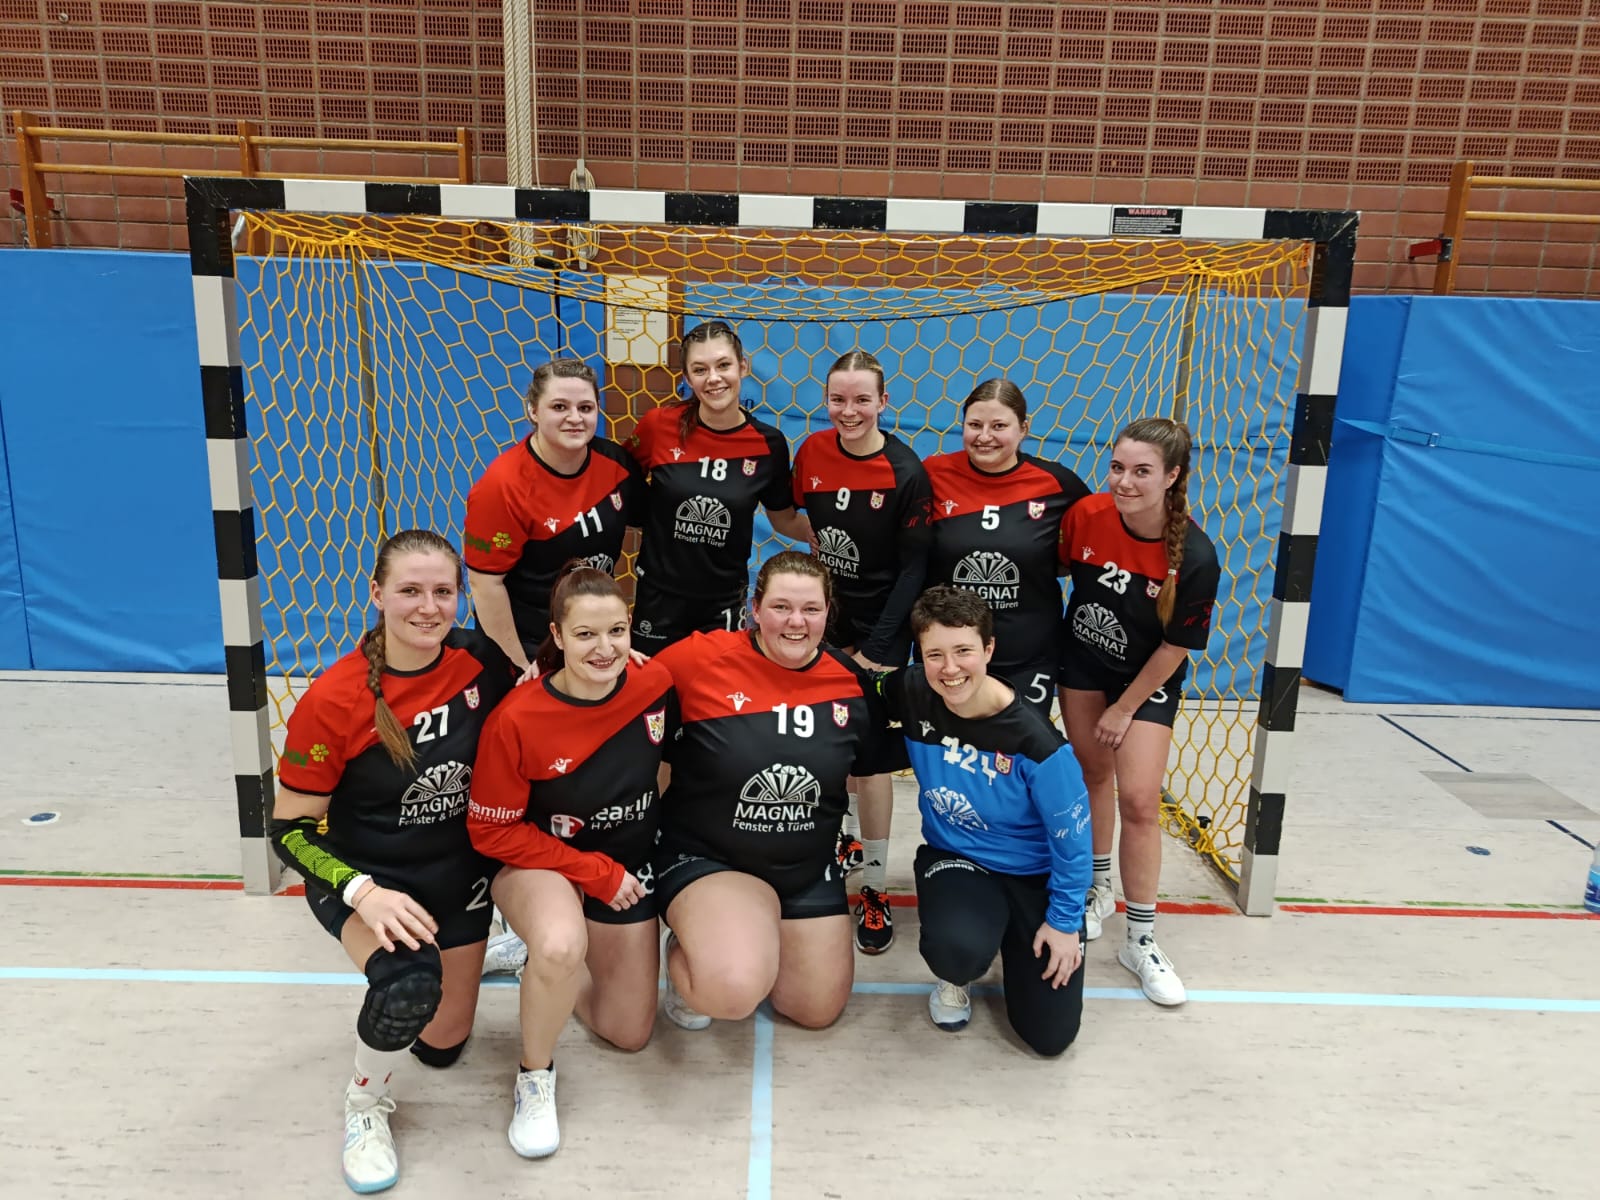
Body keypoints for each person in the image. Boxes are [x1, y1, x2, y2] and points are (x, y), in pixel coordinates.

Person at [269, 529, 515, 1195]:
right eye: (410, 591)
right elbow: (288, 831)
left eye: (443, 592)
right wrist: (361, 893)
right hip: (369, 879)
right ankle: (365, 1105)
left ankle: (490, 949)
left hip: (457, 875)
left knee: (441, 1046)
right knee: (408, 989)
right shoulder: (334, 699)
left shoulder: (477, 660)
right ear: (377, 594)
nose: (428, 607)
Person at [468, 564, 677, 1159]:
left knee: (629, 1031)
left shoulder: (654, 682)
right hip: (540, 864)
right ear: (557, 636)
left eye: (616, 631)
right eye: (585, 634)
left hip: (624, 864)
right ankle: (535, 1074)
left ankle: (539, 962)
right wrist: (595, 873)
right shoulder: (518, 717)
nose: (604, 648)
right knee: (560, 945)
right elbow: (490, 830)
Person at [649, 551, 899, 1032]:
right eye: (781, 607)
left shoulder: (851, 684)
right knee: (731, 990)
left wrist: (875, 875)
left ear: (828, 612)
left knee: (816, 1011)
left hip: (804, 868)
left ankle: (749, 935)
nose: (796, 622)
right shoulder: (697, 660)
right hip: (712, 858)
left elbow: (870, 774)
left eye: (811, 609)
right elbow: (624, 690)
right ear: (755, 608)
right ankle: (691, 948)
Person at [875, 586, 1090, 1056]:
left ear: (989, 649)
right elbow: (858, 691)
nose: (949, 668)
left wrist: (1063, 922)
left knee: (1049, 1038)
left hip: (1032, 875)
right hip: (958, 859)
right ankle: (960, 970)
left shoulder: (1039, 745)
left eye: (963, 651)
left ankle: (1015, 933)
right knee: (958, 950)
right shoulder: (912, 689)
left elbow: (1074, 845)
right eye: (935, 655)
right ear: (920, 657)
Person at [1057, 417, 1219, 1006]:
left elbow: (1175, 648)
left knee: (1142, 801)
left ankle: (1142, 939)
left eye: (1142, 471)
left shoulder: (1195, 555)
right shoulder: (1087, 515)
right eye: (1118, 467)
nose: (1124, 482)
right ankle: (1097, 887)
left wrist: (1125, 709)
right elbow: (1055, 569)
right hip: (1082, 664)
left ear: (1172, 476)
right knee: (1092, 776)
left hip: (1145, 681)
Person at [792, 349, 931, 954]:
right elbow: (803, 525)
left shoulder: (905, 471)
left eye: (861, 400)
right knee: (828, 747)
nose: (848, 411)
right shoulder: (811, 453)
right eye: (837, 399)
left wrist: (877, 649)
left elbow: (915, 568)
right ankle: (843, 842)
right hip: (825, 625)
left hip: (881, 635)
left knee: (871, 761)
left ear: (883, 402)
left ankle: (874, 886)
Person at [624, 320, 813, 656]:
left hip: (722, 602)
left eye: (723, 365)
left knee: (719, 688)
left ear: (743, 367)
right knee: (654, 687)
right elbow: (618, 480)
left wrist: (835, 534)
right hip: (659, 597)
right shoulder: (658, 425)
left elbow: (783, 518)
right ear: (687, 377)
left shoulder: (768, 444)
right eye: (700, 369)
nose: (713, 378)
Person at [464, 357, 647, 672]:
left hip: (593, 639)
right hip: (531, 644)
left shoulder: (615, 462)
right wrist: (519, 664)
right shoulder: (502, 486)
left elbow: (652, 521)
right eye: (559, 407)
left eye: (585, 408)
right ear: (533, 411)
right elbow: (486, 585)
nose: (575, 418)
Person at [923, 379, 1089, 721]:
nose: (985, 436)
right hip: (950, 657)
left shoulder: (1057, 484)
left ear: (1023, 428)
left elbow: (1097, 541)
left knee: (1015, 748)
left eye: (999, 426)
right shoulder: (933, 474)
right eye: (975, 425)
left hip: (1028, 656)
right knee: (954, 750)